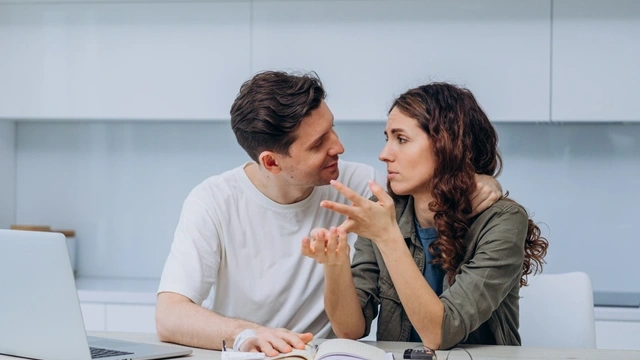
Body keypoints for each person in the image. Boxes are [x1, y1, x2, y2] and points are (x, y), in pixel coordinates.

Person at [155, 72, 503, 356]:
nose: (338, 146)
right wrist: (247, 334)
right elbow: (169, 316)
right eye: (318, 144)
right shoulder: (213, 201)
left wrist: (481, 180)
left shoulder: (358, 186)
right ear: (272, 162)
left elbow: (431, 178)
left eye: (332, 128)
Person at [301, 82, 549, 350]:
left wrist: (387, 236)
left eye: (402, 139)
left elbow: (441, 334)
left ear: (446, 145)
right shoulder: (385, 211)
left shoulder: (502, 221)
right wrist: (334, 264)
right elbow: (350, 328)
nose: (384, 155)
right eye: (387, 138)